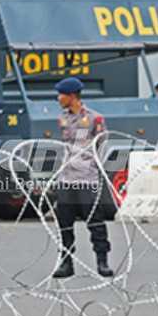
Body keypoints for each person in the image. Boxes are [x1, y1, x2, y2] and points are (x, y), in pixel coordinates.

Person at [51, 76, 113, 279]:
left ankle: (102, 261)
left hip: (87, 178)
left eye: (61, 94)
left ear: (72, 96)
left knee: (95, 222)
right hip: (67, 179)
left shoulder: (95, 118)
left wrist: (94, 166)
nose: (58, 98)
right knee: (65, 223)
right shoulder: (62, 119)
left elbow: (103, 144)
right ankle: (66, 262)